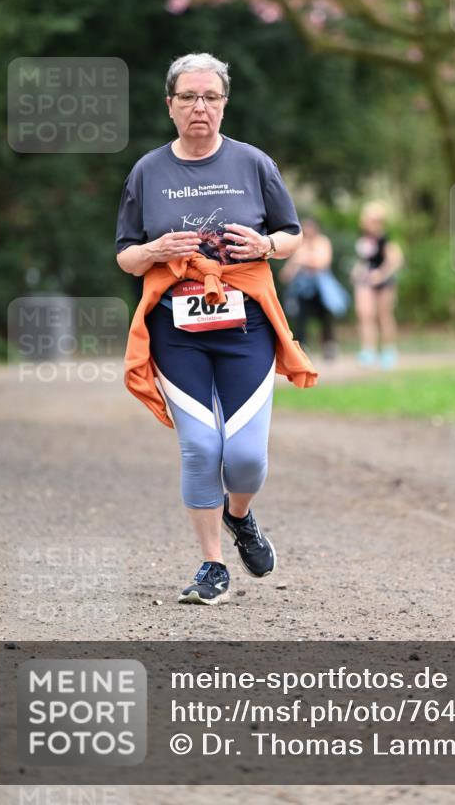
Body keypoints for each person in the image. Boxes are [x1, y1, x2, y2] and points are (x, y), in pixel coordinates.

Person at [115, 52, 312, 606]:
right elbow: (126, 257)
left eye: (211, 97)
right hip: (175, 328)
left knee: (246, 458)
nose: (200, 107)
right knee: (201, 448)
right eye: (189, 97)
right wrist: (155, 249)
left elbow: (292, 233)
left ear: (224, 104)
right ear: (170, 105)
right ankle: (211, 566)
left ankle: (239, 516)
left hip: (245, 324)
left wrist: (266, 246)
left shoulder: (253, 163)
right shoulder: (148, 171)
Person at [280, 217, 348, 359]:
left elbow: (322, 263)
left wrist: (302, 260)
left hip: (322, 289)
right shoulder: (300, 245)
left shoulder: (322, 242)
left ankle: (329, 346)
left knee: (326, 316)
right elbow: (286, 273)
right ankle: (301, 347)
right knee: (300, 317)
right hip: (303, 289)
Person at [351, 201, 404, 369]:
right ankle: (368, 351)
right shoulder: (363, 238)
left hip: (384, 281)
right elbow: (365, 260)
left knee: (384, 315)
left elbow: (396, 260)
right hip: (366, 281)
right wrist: (357, 270)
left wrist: (381, 274)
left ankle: (388, 351)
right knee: (365, 314)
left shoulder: (385, 238)